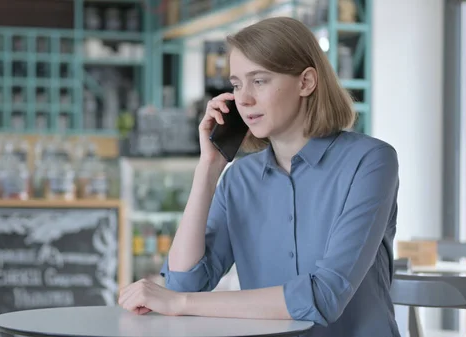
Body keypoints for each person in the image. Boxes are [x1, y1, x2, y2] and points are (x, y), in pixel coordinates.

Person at [118, 16, 400, 337]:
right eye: (237, 84)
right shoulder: (239, 178)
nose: (244, 98)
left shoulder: (370, 161)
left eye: (259, 81)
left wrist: (180, 302)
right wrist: (208, 169)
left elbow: (324, 297)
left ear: (306, 82)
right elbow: (187, 281)